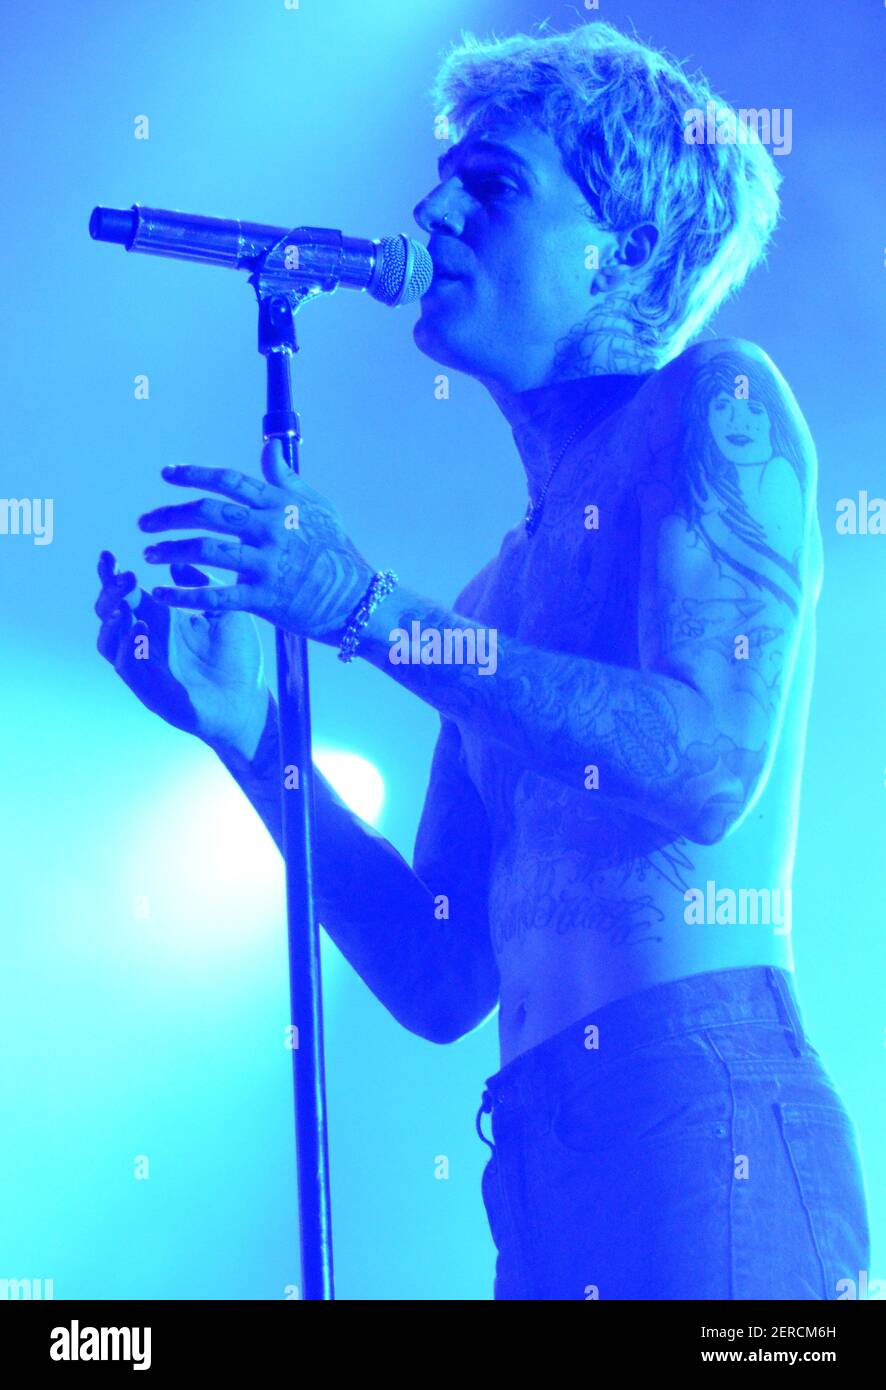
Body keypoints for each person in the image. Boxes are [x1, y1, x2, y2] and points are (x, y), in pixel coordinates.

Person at [95, 23, 869, 1299]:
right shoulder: (491, 594)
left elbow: (708, 761)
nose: (430, 208)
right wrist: (254, 747)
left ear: (615, 245)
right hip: (542, 1143)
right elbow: (441, 970)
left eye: (493, 184)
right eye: (445, 175)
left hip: (705, 1103)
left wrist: (356, 604)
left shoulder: (717, 402)